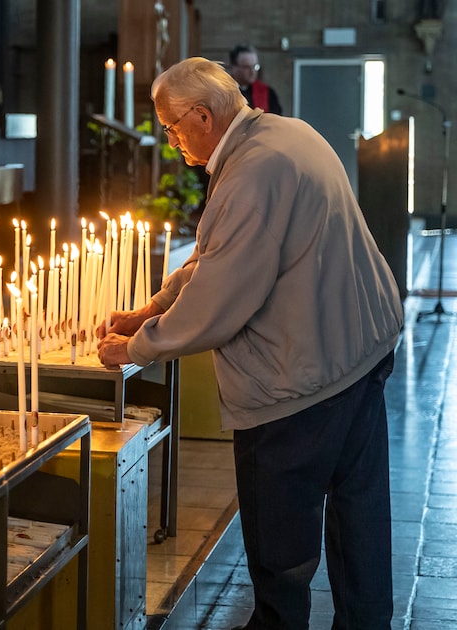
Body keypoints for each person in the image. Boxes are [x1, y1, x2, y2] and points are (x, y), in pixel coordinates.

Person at [98, 57, 402, 628]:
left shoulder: (251, 173)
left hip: (298, 383)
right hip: (358, 358)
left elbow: (220, 297)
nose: (170, 142)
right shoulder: (286, 134)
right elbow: (224, 257)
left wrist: (136, 347)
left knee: (280, 552)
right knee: (359, 521)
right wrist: (153, 308)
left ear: (203, 116)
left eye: (171, 127)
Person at [228, 44, 282, 115]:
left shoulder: (268, 92)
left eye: (255, 66)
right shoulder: (222, 93)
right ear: (234, 67)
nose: (252, 72)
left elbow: (276, 120)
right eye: (247, 67)